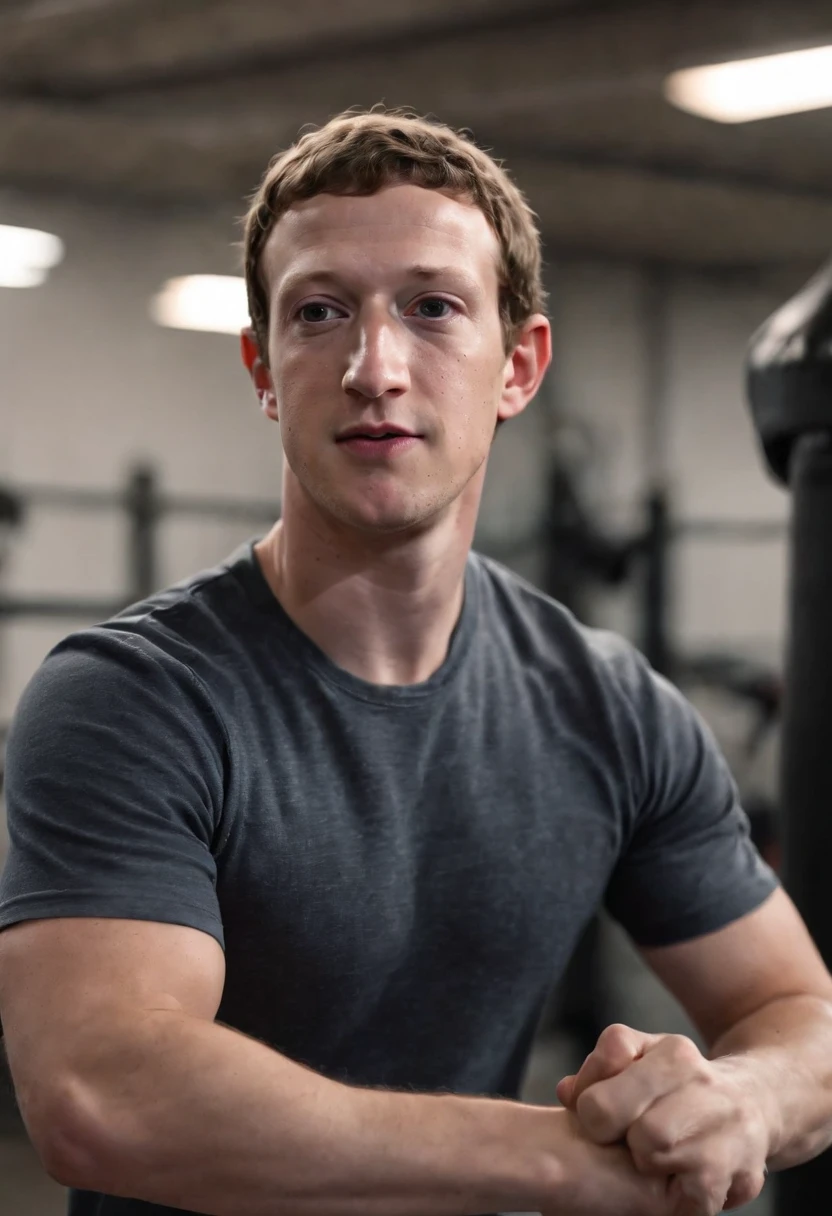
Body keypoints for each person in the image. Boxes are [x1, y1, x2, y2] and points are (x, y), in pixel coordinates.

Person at [0, 108, 831, 1216]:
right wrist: (560, 1159)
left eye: (432, 308)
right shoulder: (136, 700)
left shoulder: (609, 706)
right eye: (319, 313)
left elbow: (800, 1011)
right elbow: (105, 1093)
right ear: (262, 365)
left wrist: (741, 1100)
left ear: (518, 364)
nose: (373, 366)